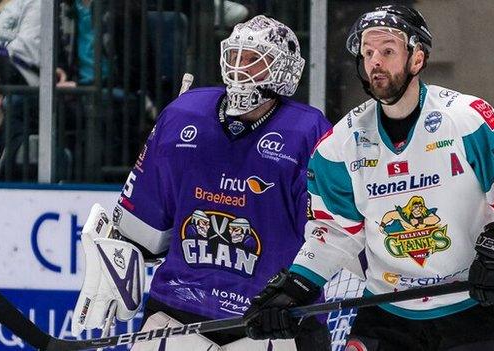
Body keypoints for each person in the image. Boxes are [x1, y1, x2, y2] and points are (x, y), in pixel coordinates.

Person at [244, 5, 494, 350]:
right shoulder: (339, 145)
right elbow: (332, 233)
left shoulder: (467, 118)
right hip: (385, 315)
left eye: (387, 51)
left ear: (417, 59)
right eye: (368, 52)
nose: (375, 61)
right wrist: (295, 287)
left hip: (471, 310)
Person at [71, 15, 332, 351]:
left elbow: (330, 235)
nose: (239, 68)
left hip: (273, 319)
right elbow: (144, 229)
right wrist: (115, 269)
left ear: (282, 71)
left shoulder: (308, 133)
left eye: (253, 60)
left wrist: (298, 293)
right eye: (235, 56)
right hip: (179, 312)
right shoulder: (184, 115)